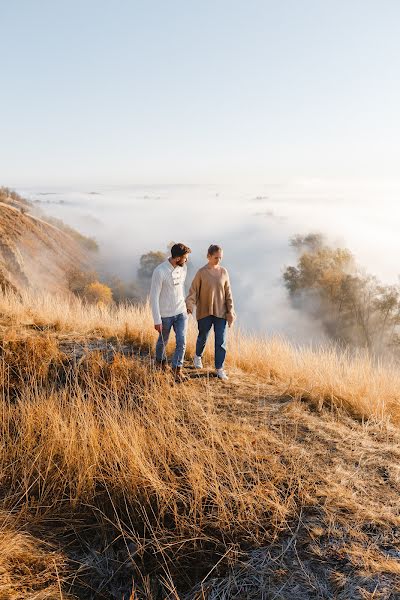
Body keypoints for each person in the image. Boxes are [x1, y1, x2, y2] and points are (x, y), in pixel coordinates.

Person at [186, 244, 235, 380]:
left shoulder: (224, 272)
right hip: (205, 311)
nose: (218, 260)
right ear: (208, 256)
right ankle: (197, 357)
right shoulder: (201, 272)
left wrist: (230, 311)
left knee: (221, 341)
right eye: (216, 257)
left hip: (221, 312)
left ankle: (219, 368)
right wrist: (190, 305)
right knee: (203, 336)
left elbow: (228, 293)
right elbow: (193, 290)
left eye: (220, 258)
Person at [150, 243, 191, 382]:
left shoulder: (183, 267)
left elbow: (181, 288)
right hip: (165, 315)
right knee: (163, 340)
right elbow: (153, 297)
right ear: (177, 258)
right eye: (185, 258)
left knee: (182, 340)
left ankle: (176, 370)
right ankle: (160, 363)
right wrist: (157, 320)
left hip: (181, 313)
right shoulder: (160, 271)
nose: (186, 260)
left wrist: (186, 305)